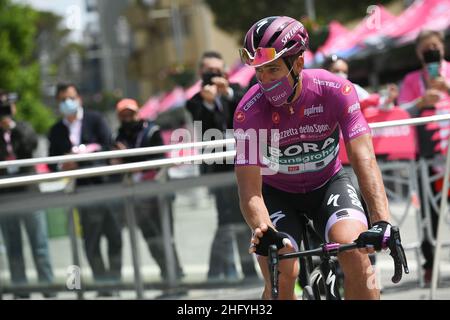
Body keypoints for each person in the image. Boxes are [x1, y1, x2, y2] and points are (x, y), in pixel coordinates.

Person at [234, 16, 399, 300]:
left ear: (298, 64)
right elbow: (250, 190)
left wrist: (381, 220)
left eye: (272, 69)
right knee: (282, 269)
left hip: (328, 184)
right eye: (259, 71)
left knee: (354, 250)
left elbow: (364, 159)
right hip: (278, 194)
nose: (264, 80)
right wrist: (264, 229)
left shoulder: (335, 91)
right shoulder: (248, 112)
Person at [186, 51, 258, 281]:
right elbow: (205, 126)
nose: (214, 75)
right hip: (218, 169)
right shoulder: (195, 101)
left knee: (247, 219)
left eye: (218, 70)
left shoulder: (237, 90)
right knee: (226, 221)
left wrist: (225, 93)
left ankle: (236, 270)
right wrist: (208, 103)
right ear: (201, 73)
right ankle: (223, 270)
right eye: (209, 71)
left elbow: (247, 110)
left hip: (244, 164)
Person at [48, 83, 122, 296]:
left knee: (115, 236)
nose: (67, 103)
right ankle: (103, 285)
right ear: (58, 103)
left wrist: (87, 156)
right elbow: (52, 162)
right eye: (62, 100)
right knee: (91, 240)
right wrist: (65, 163)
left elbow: (108, 145)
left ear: (79, 98)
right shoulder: (56, 131)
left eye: (70, 97)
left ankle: (115, 283)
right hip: (81, 191)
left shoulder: (95, 119)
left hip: (105, 185)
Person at [398, 29, 450, 285]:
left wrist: (447, 88)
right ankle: (430, 264)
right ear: (419, 52)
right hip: (427, 156)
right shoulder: (410, 80)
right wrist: (420, 102)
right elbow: (400, 111)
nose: (432, 51)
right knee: (429, 214)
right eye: (426, 48)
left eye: (435, 47)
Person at [113, 98, 184, 281]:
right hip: (137, 196)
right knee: (150, 238)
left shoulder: (152, 131)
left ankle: (174, 276)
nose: (128, 119)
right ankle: (167, 274)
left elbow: (158, 160)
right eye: (123, 116)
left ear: (138, 113)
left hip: (158, 192)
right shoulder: (118, 137)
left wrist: (128, 159)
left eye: (131, 114)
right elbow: (114, 163)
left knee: (165, 236)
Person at [0, 90, 55, 299]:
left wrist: (12, 128)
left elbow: (30, 145)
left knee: (39, 245)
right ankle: (20, 292)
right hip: (6, 197)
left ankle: (48, 289)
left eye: (7, 107)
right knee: (13, 248)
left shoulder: (23, 127)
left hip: (29, 193)